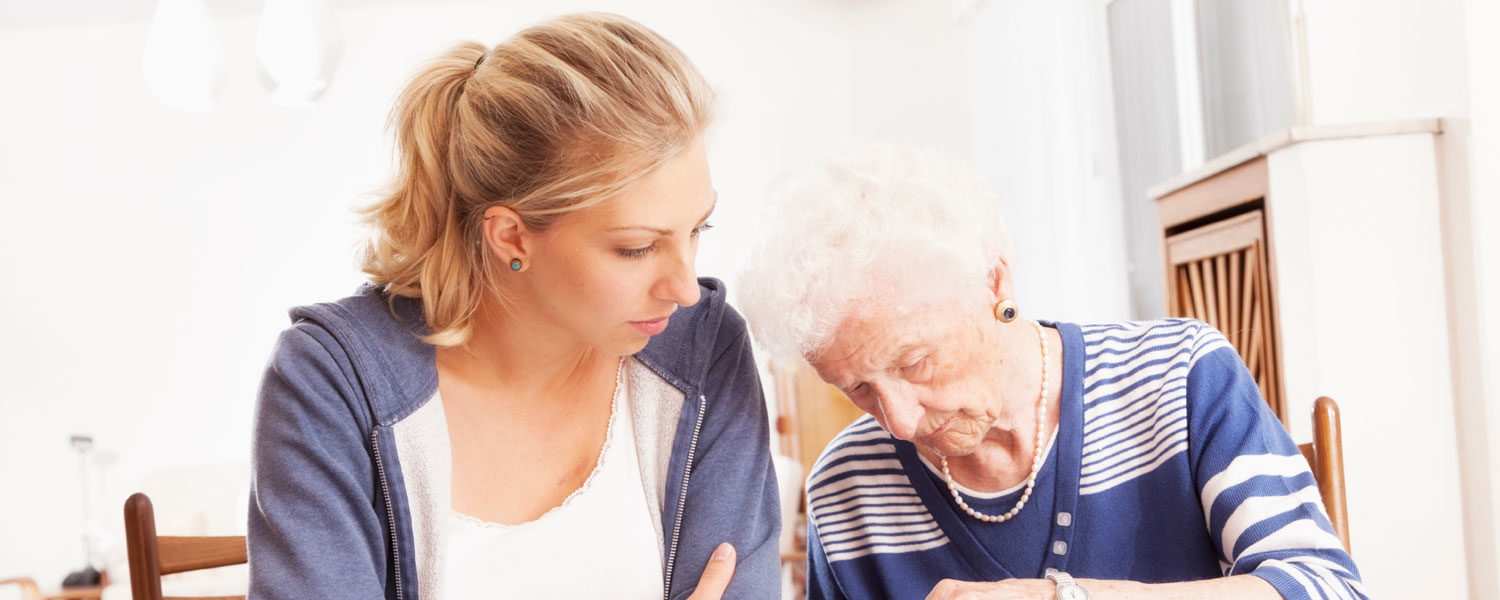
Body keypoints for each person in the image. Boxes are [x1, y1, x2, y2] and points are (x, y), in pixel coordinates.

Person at [248, 13, 778, 599]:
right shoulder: (333, 382)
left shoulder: (704, 354)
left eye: (698, 228)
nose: (683, 288)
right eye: (637, 248)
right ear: (511, 237)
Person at [736, 144, 1364, 600]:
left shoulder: (1177, 378)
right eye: (858, 389)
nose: (897, 421)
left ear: (994, 282)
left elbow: (1325, 587)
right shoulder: (847, 487)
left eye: (914, 361)